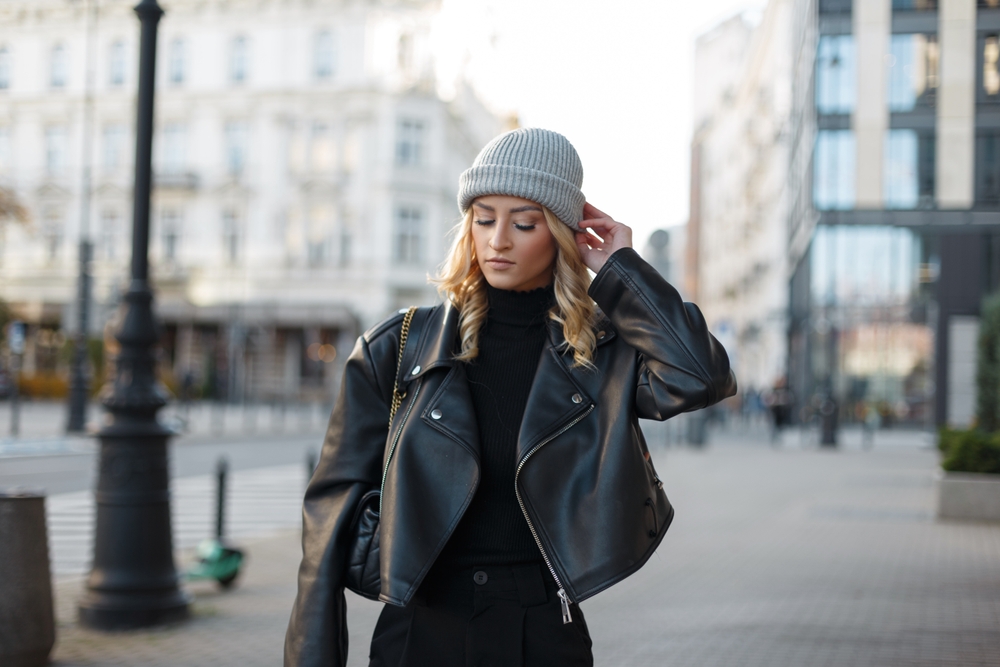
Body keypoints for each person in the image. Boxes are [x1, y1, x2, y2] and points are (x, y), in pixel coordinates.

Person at [284, 128, 737, 667]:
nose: (498, 239)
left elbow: (700, 375)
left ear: (564, 235)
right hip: (420, 631)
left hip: (542, 632)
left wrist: (622, 269)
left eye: (524, 222)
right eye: (483, 218)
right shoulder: (398, 348)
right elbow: (328, 515)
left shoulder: (599, 354)